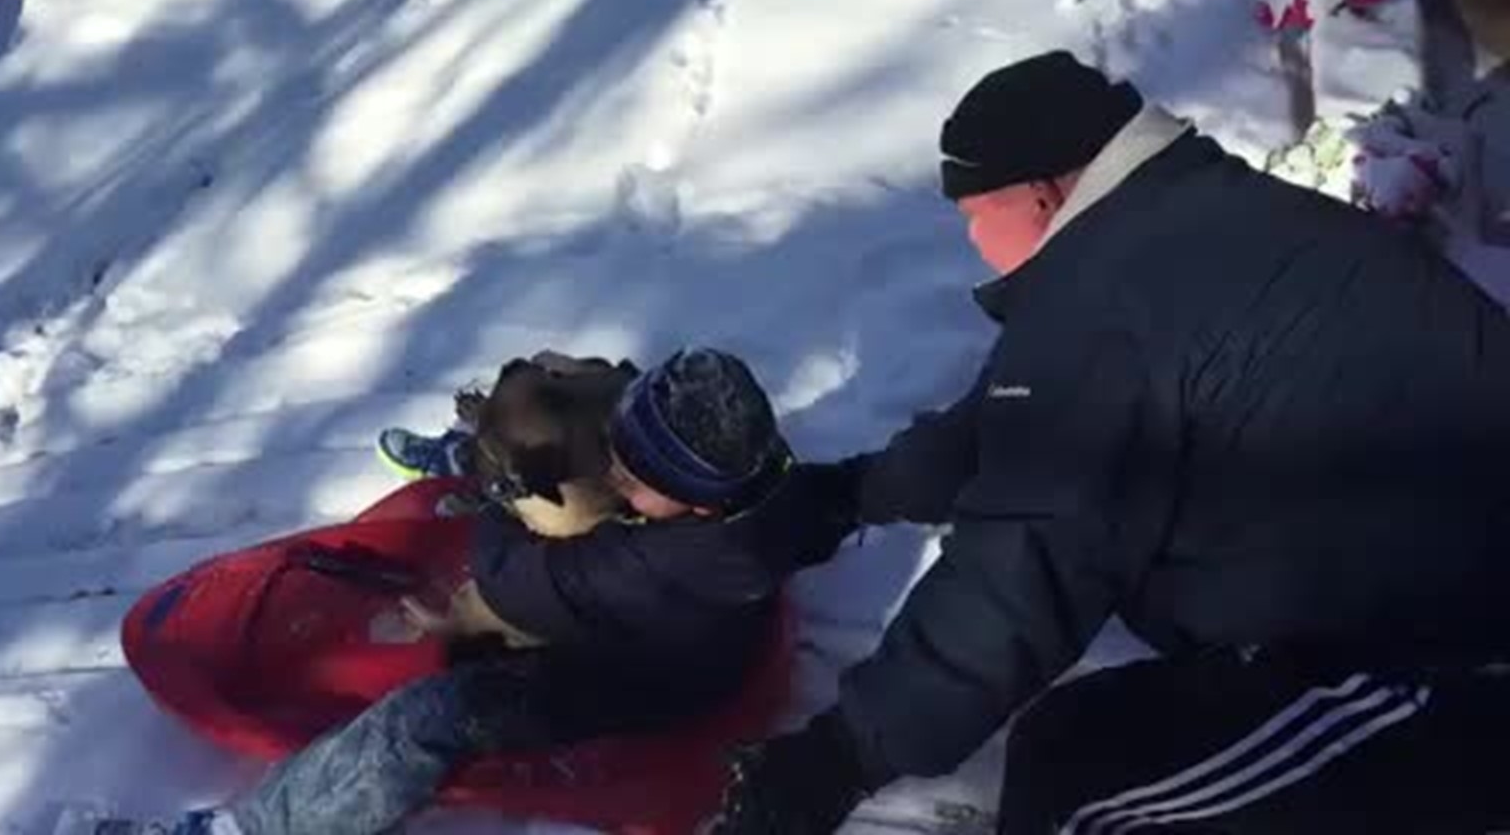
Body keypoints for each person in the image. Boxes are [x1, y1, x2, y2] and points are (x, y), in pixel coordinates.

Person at [710, 51, 1510, 834]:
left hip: (1453, 670)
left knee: (1076, 774)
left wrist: (840, 755)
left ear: (1044, 190)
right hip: (1433, 585)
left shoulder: (1108, 300)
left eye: (975, 215)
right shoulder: (1187, 223)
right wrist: (848, 494)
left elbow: (1023, 567)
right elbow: (1018, 429)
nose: (975, 241)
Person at [198, 347, 848, 835]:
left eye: (630, 470)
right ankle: (480, 456)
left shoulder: (632, 567)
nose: (617, 470)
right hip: (687, 619)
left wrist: (497, 502)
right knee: (560, 404)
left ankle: (258, 828)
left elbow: (507, 581)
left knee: (433, 716)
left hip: (643, 679)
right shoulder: (760, 476)